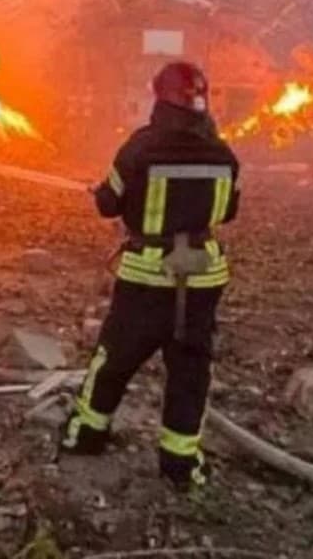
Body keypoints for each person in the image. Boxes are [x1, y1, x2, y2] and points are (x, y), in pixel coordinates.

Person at [60, 60, 241, 489]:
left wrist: (100, 191)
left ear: (159, 98)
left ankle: (86, 434)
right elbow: (228, 211)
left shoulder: (141, 147)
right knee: (190, 370)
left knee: (115, 358)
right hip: (201, 281)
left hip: (147, 278)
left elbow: (109, 203)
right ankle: (180, 463)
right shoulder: (224, 154)